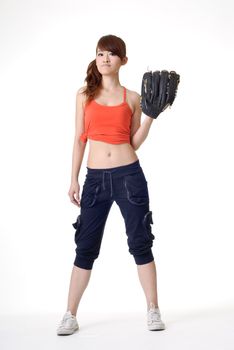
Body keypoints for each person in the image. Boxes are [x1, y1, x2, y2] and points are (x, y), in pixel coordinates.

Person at [56, 34, 165, 335]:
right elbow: (80, 139)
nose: (105, 59)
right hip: (95, 180)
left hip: (129, 176)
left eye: (112, 54)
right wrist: (73, 179)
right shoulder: (84, 95)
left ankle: (153, 310)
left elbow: (133, 142)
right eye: (100, 53)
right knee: (85, 247)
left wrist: (150, 119)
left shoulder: (133, 98)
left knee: (140, 243)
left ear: (123, 61)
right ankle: (70, 315)